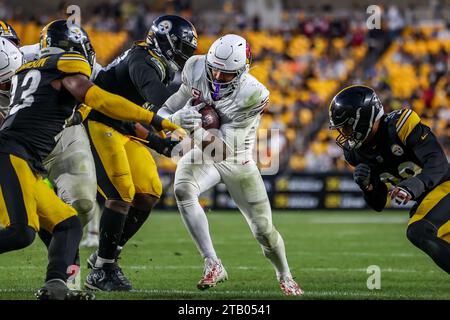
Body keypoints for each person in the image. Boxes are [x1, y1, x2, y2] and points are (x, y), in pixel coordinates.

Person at [0, 19, 184, 300]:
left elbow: (101, 111)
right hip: (14, 152)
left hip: (28, 156)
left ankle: (57, 287)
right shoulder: (66, 66)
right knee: (21, 232)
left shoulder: (28, 67)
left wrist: (156, 141)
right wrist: (155, 119)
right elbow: (101, 100)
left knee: (68, 223)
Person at [157, 34, 303, 295]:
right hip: (204, 150)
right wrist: (176, 118)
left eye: (226, 74)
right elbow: (163, 112)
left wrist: (197, 131)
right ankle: (212, 262)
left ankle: (285, 275)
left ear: (243, 70)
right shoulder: (195, 66)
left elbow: (222, 151)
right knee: (183, 189)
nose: (217, 76)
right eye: (214, 69)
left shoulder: (253, 93)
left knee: (263, 231)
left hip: (236, 157)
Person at [84, 14, 198, 291]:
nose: (184, 57)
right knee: (121, 193)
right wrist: (198, 104)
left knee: (148, 192)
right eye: (182, 49)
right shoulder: (143, 59)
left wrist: (159, 143)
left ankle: (105, 256)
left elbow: (129, 114)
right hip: (97, 122)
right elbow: (158, 98)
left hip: (120, 126)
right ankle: (103, 270)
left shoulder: (155, 63)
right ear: (166, 42)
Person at [0, 19, 102, 290]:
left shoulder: (39, 56)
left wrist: (76, 114)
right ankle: (63, 280)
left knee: (79, 206)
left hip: (62, 132)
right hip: (15, 145)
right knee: (27, 227)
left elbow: (92, 92)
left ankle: (61, 279)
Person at [328, 85, 450, 274]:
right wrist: (368, 186)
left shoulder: (399, 125)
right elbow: (378, 203)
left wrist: (413, 186)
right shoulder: (356, 153)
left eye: (347, 126)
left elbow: (439, 163)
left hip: (445, 185)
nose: (345, 133)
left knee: (419, 229)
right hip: (433, 198)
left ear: (364, 118)